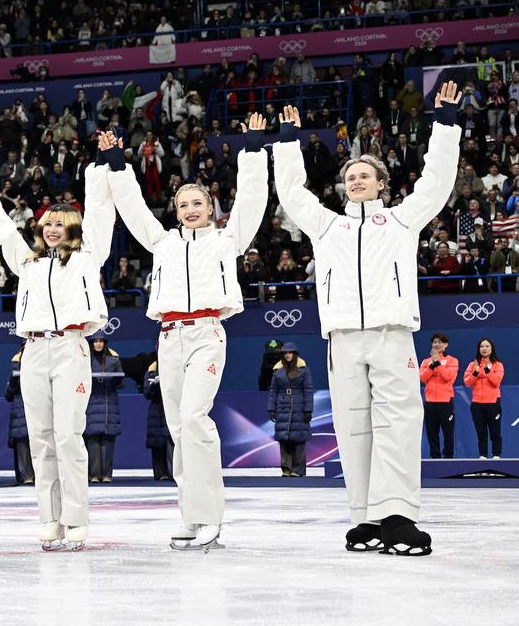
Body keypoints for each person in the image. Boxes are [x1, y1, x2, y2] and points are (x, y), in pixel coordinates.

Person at [272, 82, 464, 557]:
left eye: (365, 175)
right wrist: (287, 142)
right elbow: (293, 195)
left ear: (382, 184)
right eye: (350, 176)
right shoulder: (328, 226)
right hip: (342, 339)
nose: (356, 181)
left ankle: (399, 515)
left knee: (397, 422)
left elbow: (437, 184)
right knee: (354, 428)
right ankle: (366, 517)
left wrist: (444, 126)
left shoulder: (402, 219)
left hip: (390, 333)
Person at [101, 116, 268, 552]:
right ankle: (191, 517)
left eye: (198, 202)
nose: (191, 209)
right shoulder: (163, 243)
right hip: (169, 336)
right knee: (179, 427)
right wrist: (117, 162)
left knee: (195, 418)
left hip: (207, 333)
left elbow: (251, 200)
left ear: (211, 207)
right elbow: (133, 208)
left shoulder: (227, 240)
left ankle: (211, 518)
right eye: (183, 205)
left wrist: (252, 148)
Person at [0, 153, 114, 552]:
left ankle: (76, 520)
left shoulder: (86, 258)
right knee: (41, 438)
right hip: (32, 350)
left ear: (74, 229)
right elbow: (0, 230)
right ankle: (50, 518)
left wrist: (102, 167)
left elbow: (100, 214)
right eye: (47, 224)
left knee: (68, 436)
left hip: (69, 347)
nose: (52, 230)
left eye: (60, 224)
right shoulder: (27, 262)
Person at [267, 343, 314, 477]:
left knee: (298, 439)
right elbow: (273, 391)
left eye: (290, 352)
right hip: (282, 405)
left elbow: (308, 390)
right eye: (285, 353)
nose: (287, 355)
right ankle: (286, 468)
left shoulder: (303, 370)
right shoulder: (277, 370)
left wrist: (308, 410)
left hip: (298, 405)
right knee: (284, 438)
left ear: (295, 354)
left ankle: (298, 469)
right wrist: (271, 408)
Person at [85, 330, 124, 483]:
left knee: (108, 441)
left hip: (109, 404)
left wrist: (115, 380)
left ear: (105, 343)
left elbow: (121, 383)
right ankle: (94, 474)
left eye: (101, 341)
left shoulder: (113, 360)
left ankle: (107, 474)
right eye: (95, 341)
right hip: (91, 404)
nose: (98, 343)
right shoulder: (85, 360)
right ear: (91, 343)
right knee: (93, 441)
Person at [464, 338, 505, 459]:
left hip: (493, 403)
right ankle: (483, 455)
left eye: (487, 346)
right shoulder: (473, 365)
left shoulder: (498, 364)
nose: (484, 349)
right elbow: (467, 383)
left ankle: (496, 455)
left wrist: (487, 370)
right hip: (477, 404)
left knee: (495, 431)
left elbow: (496, 382)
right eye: (482, 346)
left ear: (492, 349)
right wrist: (475, 373)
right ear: (479, 349)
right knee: (481, 432)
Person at [420, 333, 459, 459]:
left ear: (446, 345)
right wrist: (432, 364)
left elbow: (448, 377)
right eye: (435, 342)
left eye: (440, 342)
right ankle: (435, 457)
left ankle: (449, 457)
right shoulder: (426, 361)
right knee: (432, 432)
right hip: (430, 401)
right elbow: (422, 378)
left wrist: (438, 363)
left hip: (445, 401)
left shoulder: (453, 360)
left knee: (448, 432)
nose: (437, 344)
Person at [5, 345, 34, 485]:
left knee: (39, 444)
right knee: (22, 443)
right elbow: (8, 395)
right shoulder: (15, 367)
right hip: (20, 410)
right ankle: (26, 475)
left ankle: (38, 475)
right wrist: (14, 381)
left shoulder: (40, 365)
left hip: (37, 408)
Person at [143, 358, 173, 481]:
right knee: (156, 441)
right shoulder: (152, 370)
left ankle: (173, 472)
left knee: (172, 441)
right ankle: (160, 473)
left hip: (171, 406)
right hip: (156, 408)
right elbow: (147, 393)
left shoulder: (175, 365)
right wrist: (154, 385)